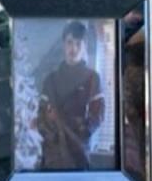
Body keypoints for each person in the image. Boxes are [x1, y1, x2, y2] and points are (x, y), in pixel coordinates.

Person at [37, 21, 105, 170]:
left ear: (84, 46)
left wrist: (70, 127)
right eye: (69, 43)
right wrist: (53, 135)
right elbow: (41, 117)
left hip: (78, 155)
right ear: (63, 44)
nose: (73, 48)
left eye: (78, 43)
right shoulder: (50, 80)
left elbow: (97, 117)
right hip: (51, 157)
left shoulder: (93, 78)